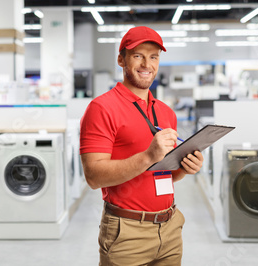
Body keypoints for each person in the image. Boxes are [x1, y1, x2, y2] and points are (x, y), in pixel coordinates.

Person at [80, 26, 204, 266]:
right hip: (127, 233)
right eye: (138, 55)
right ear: (121, 59)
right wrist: (148, 156)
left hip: (170, 229)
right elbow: (93, 177)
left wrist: (186, 167)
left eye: (154, 56)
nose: (147, 64)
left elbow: (166, 174)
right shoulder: (101, 108)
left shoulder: (166, 112)